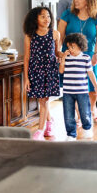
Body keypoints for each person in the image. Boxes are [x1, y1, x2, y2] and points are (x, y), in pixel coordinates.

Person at [57, 0, 97, 121]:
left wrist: (96, 53)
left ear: (87, 0)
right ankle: (79, 115)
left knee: (92, 87)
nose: (75, 0)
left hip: (90, 54)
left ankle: (91, 109)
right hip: (70, 55)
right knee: (73, 87)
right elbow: (60, 36)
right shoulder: (67, 14)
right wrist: (59, 53)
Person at [23, 7, 61, 140]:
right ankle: (50, 122)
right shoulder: (29, 35)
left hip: (49, 69)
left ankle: (40, 130)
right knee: (42, 99)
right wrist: (26, 78)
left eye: (48, 16)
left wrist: (64, 55)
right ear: (36, 19)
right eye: (43, 16)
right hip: (35, 70)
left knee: (44, 100)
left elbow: (57, 53)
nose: (47, 19)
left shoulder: (55, 34)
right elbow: (27, 57)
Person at [59, 33, 97, 140]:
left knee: (85, 111)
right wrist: (63, 59)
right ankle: (71, 134)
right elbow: (61, 71)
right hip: (68, 92)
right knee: (68, 114)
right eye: (68, 47)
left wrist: (96, 87)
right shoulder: (66, 58)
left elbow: (91, 73)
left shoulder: (86, 58)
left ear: (80, 45)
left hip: (82, 91)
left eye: (72, 46)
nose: (70, 49)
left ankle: (87, 129)